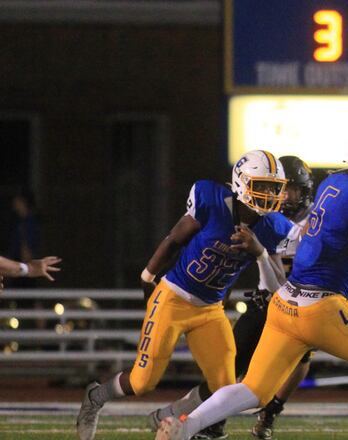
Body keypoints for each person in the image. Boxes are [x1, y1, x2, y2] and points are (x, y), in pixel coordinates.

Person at [155, 122, 348, 440]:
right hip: (319, 308)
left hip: (284, 301)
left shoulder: (334, 182)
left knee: (254, 389)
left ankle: (186, 425)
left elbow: (326, 238)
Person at [76, 150, 294, 440]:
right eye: (262, 185)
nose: (269, 194)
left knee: (225, 388)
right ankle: (96, 397)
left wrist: (260, 254)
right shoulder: (212, 201)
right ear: (241, 182)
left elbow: (275, 290)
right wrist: (148, 277)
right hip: (175, 297)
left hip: (210, 309)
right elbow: (174, 240)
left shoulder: (273, 227)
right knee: (142, 382)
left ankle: (171, 417)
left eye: (273, 187)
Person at [147, 155, 316, 440]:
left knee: (296, 365)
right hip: (266, 301)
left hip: (297, 305)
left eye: (290, 190)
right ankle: (185, 417)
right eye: (280, 188)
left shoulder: (312, 221)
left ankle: (268, 414)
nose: (283, 196)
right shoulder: (260, 215)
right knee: (228, 371)